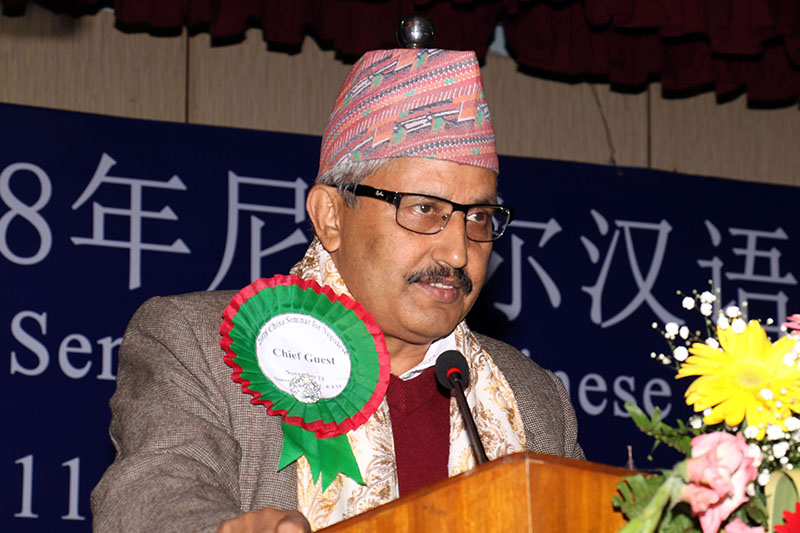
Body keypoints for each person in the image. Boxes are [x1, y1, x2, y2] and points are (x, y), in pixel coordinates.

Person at [91, 47, 583, 533]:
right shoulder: (200, 344)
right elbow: (152, 492)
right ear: (330, 217)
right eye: (423, 208)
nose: (458, 252)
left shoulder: (531, 397)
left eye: (478, 216)